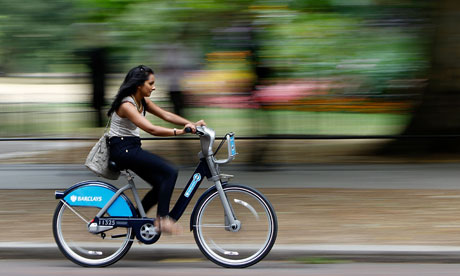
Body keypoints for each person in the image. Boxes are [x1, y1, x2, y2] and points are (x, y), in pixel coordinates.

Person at [107, 65, 206, 234]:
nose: (154, 87)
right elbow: (151, 129)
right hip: (122, 149)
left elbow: (166, 115)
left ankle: (136, 222)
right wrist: (180, 132)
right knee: (170, 172)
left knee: (161, 184)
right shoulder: (126, 105)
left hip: (131, 148)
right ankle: (162, 220)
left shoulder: (142, 100)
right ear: (139, 85)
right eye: (150, 83)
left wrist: (191, 124)